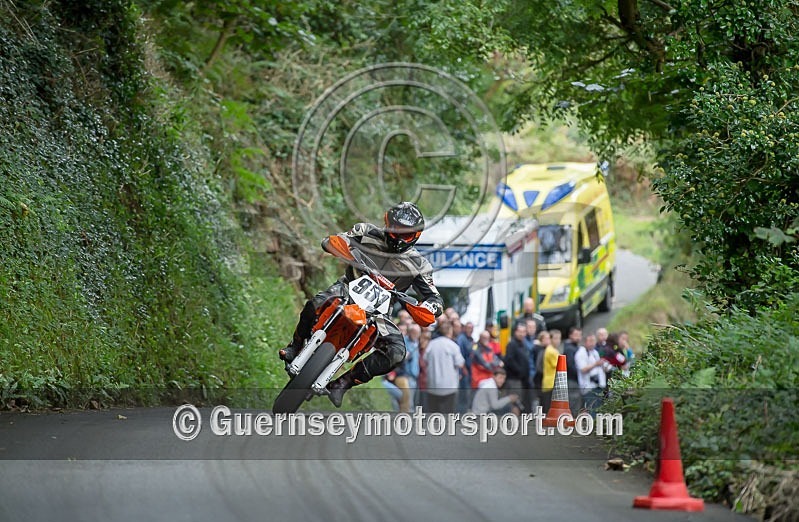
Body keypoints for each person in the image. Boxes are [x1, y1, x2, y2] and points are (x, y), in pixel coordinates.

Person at [279, 202, 444, 407]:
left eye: (406, 234)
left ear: (416, 236)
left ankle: (343, 383)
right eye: (395, 230)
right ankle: (295, 346)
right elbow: (336, 240)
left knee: (396, 352)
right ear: (387, 223)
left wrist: (428, 307)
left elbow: (435, 298)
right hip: (347, 288)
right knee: (316, 303)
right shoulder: (365, 231)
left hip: (380, 312)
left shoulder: (420, 265)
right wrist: (336, 243)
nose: (399, 238)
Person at [423, 319, 465, 413]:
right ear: (450, 331)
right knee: (447, 415)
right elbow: (460, 363)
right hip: (449, 387)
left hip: (433, 385)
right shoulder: (453, 346)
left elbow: (425, 359)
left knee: (433, 415)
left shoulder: (431, 344)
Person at [574, 334, 607, 416]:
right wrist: (596, 364)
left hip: (599, 385)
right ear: (585, 342)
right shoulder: (581, 353)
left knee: (599, 409)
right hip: (588, 386)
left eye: (594, 341)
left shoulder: (595, 352)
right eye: (590, 341)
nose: (592, 343)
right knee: (592, 410)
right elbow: (583, 369)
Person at [503, 321, 530, 412]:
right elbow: (509, 361)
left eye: (524, 332)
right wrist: (520, 371)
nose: (522, 334)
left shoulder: (524, 345)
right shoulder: (512, 345)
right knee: (514, 404)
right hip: (514, 380)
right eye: (520, 331)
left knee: (520, 403)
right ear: (515, 332)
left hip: (522, 380)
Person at [562, 327, 584, 415]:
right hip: (571, 380)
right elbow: (570, 365)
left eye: (579, 335)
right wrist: (580, 373)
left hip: (576, 380)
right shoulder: (569, 349)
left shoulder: (577, 348)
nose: (578, 337)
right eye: (576, 335)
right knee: (573, 403)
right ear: (570, 335)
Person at [537, 331, 559, 413]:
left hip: (548, 382)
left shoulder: (549, 350)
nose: (558, 341)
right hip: (551, 383)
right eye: (555, 338)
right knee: (549, 409)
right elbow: (559, 366)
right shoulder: (551, 351)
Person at [456, 321, 475, 413]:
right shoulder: (461, 339)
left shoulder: (470, 339)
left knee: (467, 395)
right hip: (464, 372)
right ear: (464, 328)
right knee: (463, 395)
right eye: (468, 328)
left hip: (469, 371)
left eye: (471, 328)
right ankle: (461, 415)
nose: (470, 330)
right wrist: (461, 371)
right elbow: (460, 356)